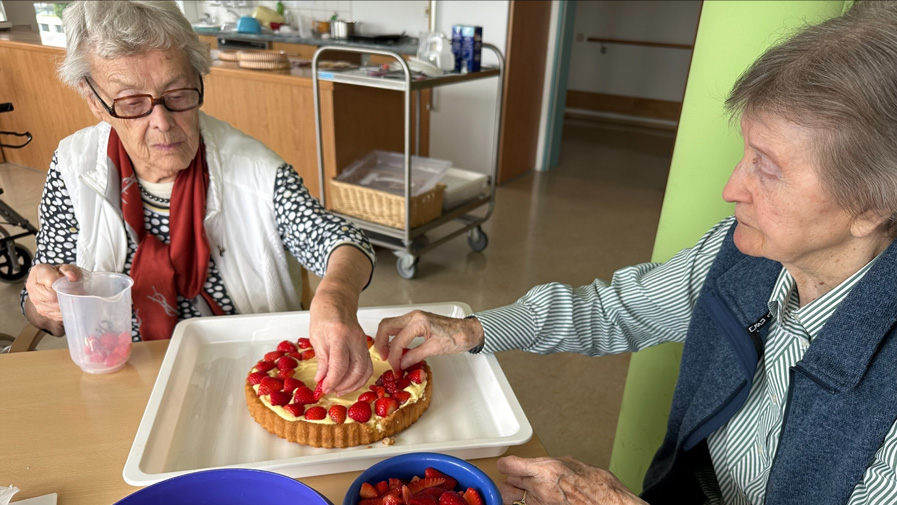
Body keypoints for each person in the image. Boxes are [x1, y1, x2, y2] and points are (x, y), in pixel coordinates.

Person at [375, 2, 897, 504]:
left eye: (768, 167)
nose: (731, 188)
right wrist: (473, 330)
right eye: (746, 153)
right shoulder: (741, 254)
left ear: (872, 205)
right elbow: (615, 310)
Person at [21, 0, 376, 396]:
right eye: (132, 103)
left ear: (198, 77)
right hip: (121, 371)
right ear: (94, 101)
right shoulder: (73, 166)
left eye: (177, 94)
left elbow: (343, 240)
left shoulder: (257, 170)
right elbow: (41, 312)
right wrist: (48, 300)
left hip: (249, 374)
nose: (162, 122)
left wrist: (336, 297)